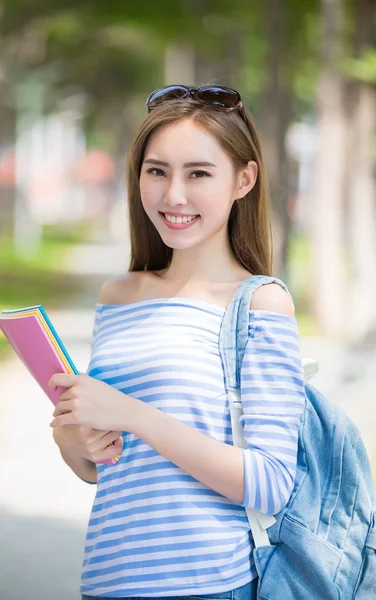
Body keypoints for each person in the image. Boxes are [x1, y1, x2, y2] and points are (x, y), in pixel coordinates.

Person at [48, 85, 306, 600]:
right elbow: (111, 467)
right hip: (110, 577)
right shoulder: (118, 296)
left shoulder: (260, 303)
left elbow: (273, 482)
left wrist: (133, 413)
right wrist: (72, 447)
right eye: (157, 171)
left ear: (244, 179)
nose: (174, 196)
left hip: (209, 584)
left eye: (199, 174)